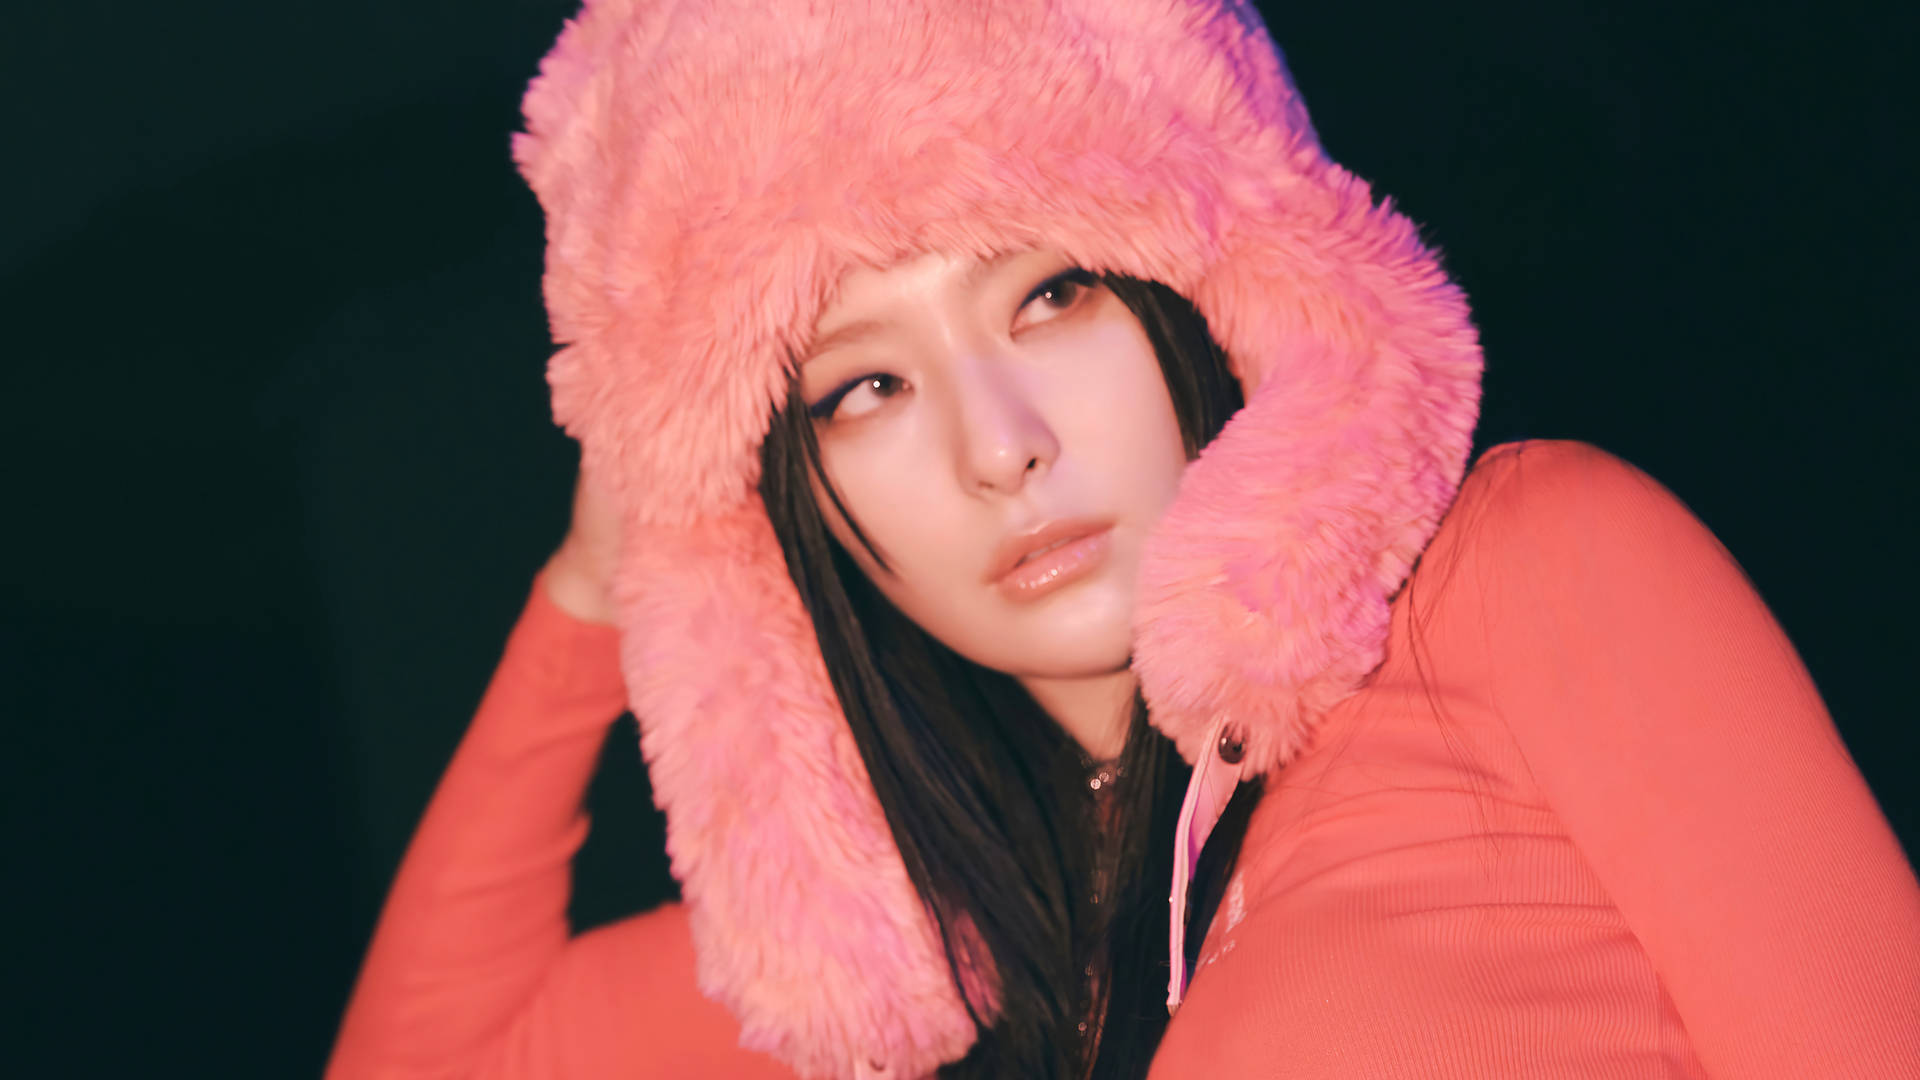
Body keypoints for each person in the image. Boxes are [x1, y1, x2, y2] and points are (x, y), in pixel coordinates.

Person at [326, 0, 1920, 1077]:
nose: (998, 443)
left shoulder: (1519, 577)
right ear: (791, 504)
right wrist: (616, 580)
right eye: (864, 384)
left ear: (1197, 289)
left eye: (1052, 292)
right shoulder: (916, 955)